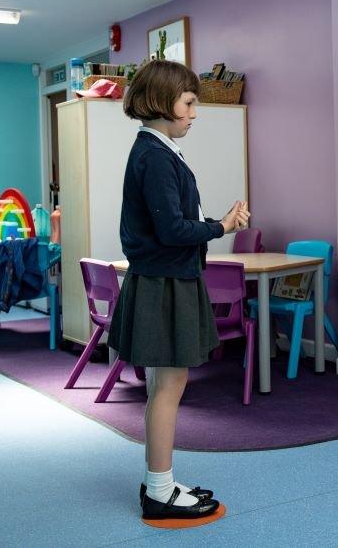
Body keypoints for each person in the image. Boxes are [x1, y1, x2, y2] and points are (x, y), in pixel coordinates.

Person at [107, 60, 250, 520]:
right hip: (165, 281)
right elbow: (171, 229)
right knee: (169, 385)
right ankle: (158, 491)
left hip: (166, 278)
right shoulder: (154, 155)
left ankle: (161, 484)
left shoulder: (157, 150)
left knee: (164, 386)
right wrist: (222, 225)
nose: (194, 113)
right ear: (165, 102)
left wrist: (213, 224)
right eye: (189, 103)